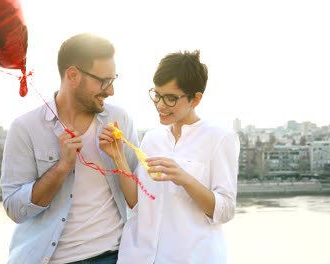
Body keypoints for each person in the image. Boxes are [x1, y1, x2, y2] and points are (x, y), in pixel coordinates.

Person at [0, 33, 139, 264]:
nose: (111, 90)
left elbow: (138, 199)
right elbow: (15, 209)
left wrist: (119, 159)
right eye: (104, 81)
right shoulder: (25, 128)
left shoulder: (119, 119)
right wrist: (62, 166)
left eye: (113, 80)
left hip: (114, 257)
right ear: (73, 75)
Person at [100, 50, 240, 263]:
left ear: (196, 99)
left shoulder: (220, 137)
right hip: (139, 256)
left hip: (191, 257)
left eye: (171, 98)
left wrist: (184, 178)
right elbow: (136, 202)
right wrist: (117, 156)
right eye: (157, 95)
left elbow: (226, 210)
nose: (160, 105)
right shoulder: (151, 138)